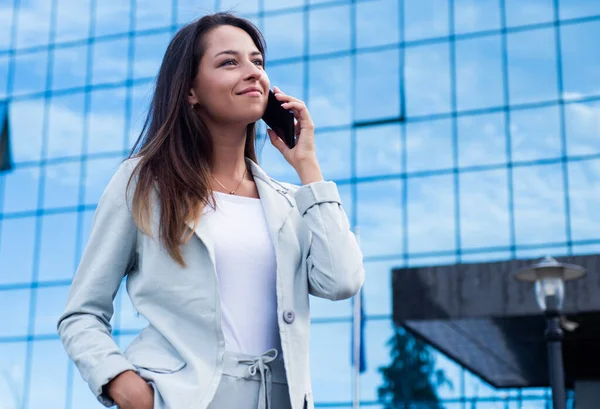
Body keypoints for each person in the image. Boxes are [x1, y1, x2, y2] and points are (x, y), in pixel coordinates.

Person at [57, 11, 364, 409]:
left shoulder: (289, 201)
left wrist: (308, 166)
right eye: (229, 62)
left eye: (257, 61)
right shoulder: (143, 183)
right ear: (190, 91)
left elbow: (341, 281)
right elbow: (81, 313)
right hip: (184, 396)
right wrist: (124, 385)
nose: (253, 72)